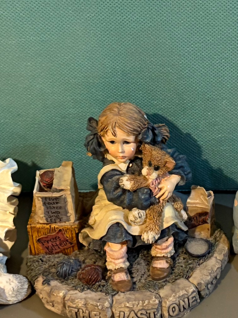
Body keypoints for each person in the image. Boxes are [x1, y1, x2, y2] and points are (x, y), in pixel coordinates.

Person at [79, 102, 192, 291]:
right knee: (114, 225)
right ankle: (117, 265)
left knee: (165, 217)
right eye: (112, 142)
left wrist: (172, 180)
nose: (120, 150)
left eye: (127, 142)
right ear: (101, 139)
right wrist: (150, 197)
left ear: (140, 139)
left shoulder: (148, 152)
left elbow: (176, 161)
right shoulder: (110, 169)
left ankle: (162, 253)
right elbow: (118, 196)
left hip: (152, 201)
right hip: (118, 205)